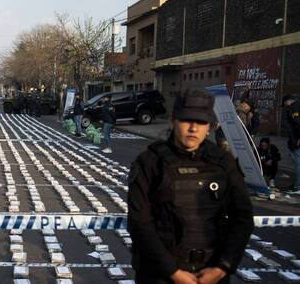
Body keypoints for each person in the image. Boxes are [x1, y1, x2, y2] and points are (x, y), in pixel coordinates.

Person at [128, 88, 254, 284]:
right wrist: (173, 273)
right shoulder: (150, 162)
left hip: (211, 273)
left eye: (201, 122)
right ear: (173, 120)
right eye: (187, 120)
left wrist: (222, 267)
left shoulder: (223, 163)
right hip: (159, 275)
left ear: (210, 127)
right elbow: (139, 223)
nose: (193, 128)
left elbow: (243, 219)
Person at [282, 94, 300, 194]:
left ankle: (298, 187)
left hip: (296, 138)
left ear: (288, 101)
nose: (285, 106)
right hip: (295, 138)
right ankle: (297, 184)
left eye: (284, 104)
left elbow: (298, 123)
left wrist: (298, 138)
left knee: (298, 163)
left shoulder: (294, 108)